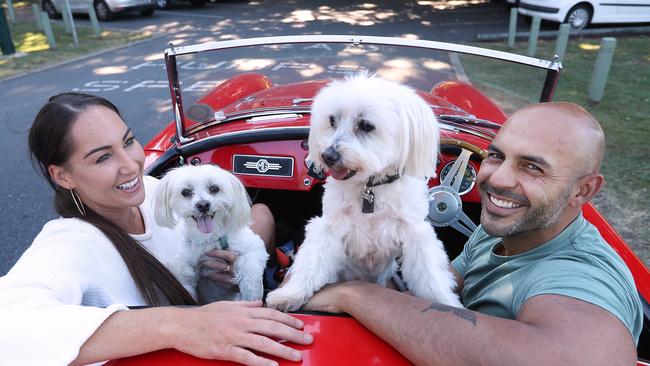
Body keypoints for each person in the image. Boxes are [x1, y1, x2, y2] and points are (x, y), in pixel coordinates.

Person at [303, 102, 644, 365]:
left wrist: (354, 294)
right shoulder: (504, 230)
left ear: (582, 191)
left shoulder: (582, 274)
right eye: (496, 156)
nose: (498, 179)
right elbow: (437, 300)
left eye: (532, 167)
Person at [0, 92, 312, 366]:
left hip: (232, 336)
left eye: (128, 141)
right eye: (103, 157)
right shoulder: (69, 243)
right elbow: (7, 327)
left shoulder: (153, 190)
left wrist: (229, 275)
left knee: (262, 213)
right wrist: (182, 325)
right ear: (63, 176)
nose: (131, 164)